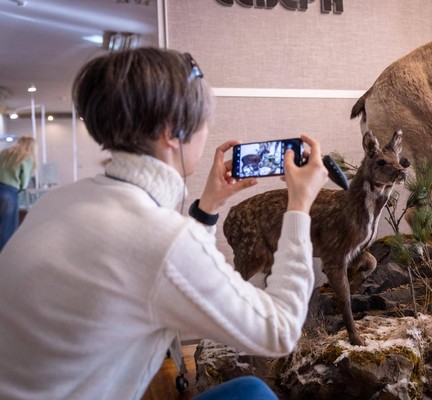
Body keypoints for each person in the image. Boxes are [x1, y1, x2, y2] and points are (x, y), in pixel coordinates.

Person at [0, 48, 328, 399]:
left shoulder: (60, 200)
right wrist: (299, 207)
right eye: (204, 122)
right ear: (174, 132)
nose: (206, 131)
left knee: (249, 389)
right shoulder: (160, 239)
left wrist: (209, 206)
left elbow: (166, 266)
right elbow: (280, 331)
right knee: (255, 395)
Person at [0, 135, 36, 251]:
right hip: (9, 192)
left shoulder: (5, 152)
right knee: (7, 227)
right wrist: (21, 187)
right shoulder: (27, 156)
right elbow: (25, 179)